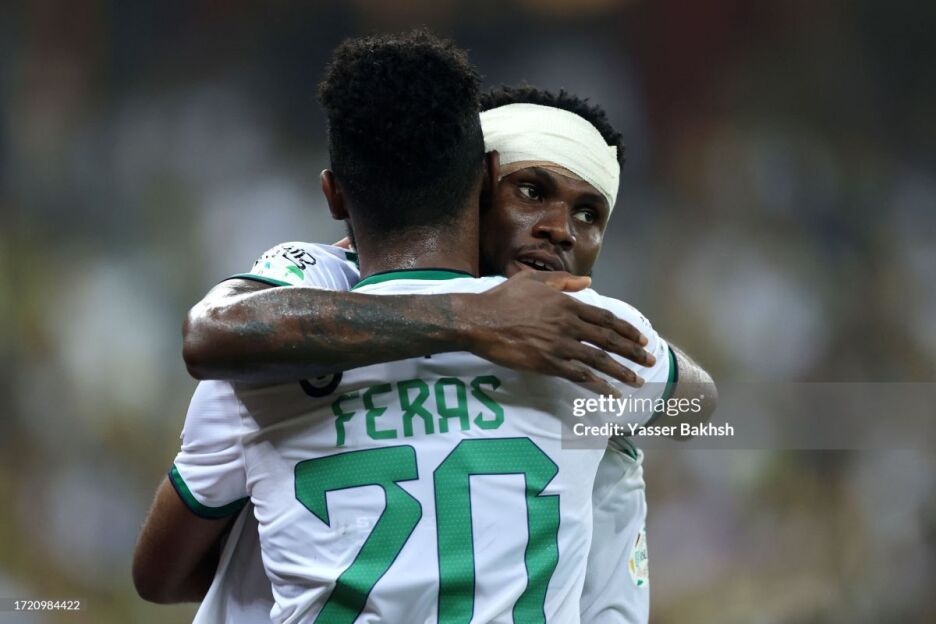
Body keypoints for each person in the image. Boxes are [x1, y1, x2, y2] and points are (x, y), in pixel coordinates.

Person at [134, 31, 713, 623]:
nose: (558, 229)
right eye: (531, 191)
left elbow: (159, 574)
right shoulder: (586, 337)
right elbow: (701, 407)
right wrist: (482, 322)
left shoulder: (266, 353)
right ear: (483, 181)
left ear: (335, 195)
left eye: (588, 214)